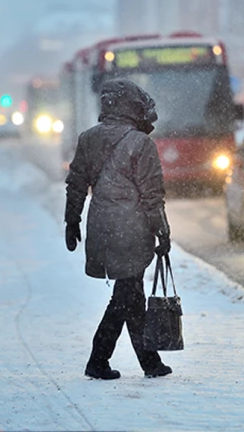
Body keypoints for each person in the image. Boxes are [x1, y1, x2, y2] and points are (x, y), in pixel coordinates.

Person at [64, 79, 173, 380]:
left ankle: (142, 362)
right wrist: (162, 231)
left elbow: (76, 184)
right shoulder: (141, 143)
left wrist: (72, 220)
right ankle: (105, 360)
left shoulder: (88, 139)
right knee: (128, 294)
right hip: (131, 229)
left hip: (101, 227)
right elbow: (152, 195)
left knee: (128, 295)